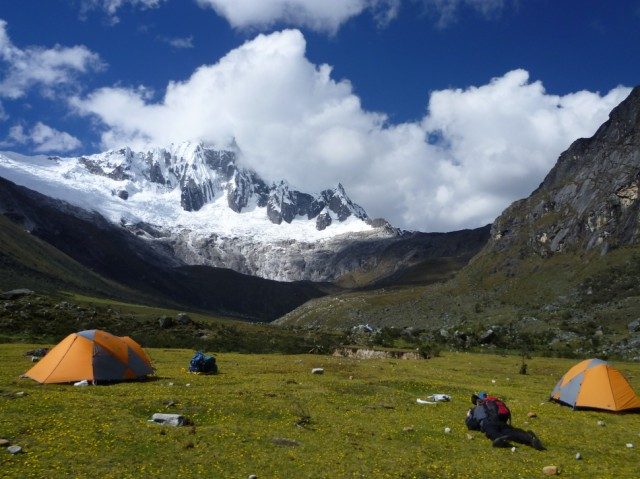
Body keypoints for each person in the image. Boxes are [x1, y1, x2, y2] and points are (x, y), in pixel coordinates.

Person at [465, 391, 545, 450]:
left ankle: (499, 438)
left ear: (478, 400)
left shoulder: (477, 408)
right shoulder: (494, 402)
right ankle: (529, 438)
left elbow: (471, 425)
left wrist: (468, 416)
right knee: (510, 431)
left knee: (491, 430)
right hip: (501, 421)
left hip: (489, 422)